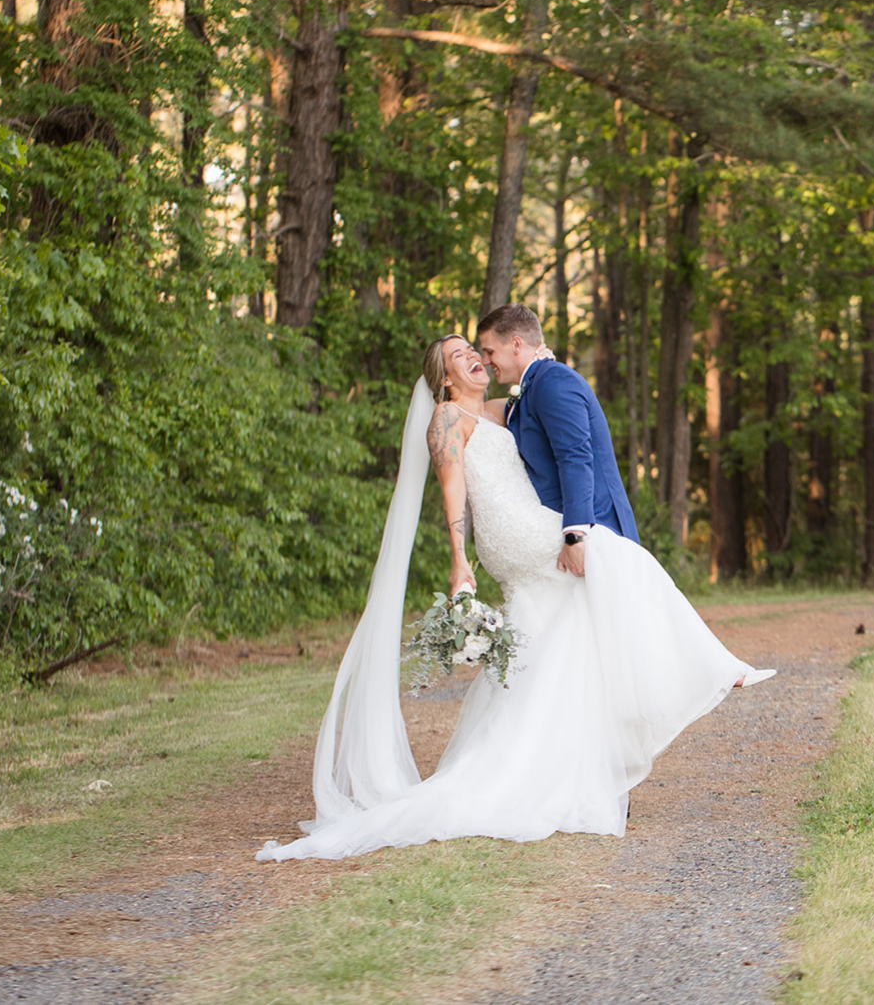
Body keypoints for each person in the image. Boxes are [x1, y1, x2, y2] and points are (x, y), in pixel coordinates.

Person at [257, 325, 773, 862]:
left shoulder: (501, 410)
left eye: (479, 352)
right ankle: (709, 665)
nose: (477, 359)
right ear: (444, 380)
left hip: (532, 522)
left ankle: (565, 766)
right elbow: (453, 494)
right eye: (461, 356)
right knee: (614, 558)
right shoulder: (447, 420)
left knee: (561, 643)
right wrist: (460, 561)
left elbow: (533, 381)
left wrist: (539, 354)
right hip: (515, 535)